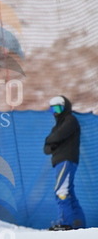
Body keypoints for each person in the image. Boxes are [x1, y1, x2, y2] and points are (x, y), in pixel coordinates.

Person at [43, 95, 86, 230]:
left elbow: (57, 137)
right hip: (59, 161)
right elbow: (46, 149)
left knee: (61, 191)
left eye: (58, 108)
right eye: (53, 109)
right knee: (69, 193)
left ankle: (65, 222)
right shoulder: (56, 126)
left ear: (64, 107)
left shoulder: (70, 120)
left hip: (66, 159)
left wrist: (51, 141)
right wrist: (52, 141)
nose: (55, 112)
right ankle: (78, 224)